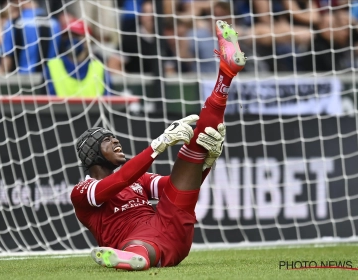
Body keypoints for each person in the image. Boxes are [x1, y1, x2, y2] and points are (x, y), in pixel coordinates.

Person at [70, 20, 246, 270]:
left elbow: (175, 186)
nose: (116, 141)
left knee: (198, 145)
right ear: (92, 154)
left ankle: (225, 76)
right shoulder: (82, 191)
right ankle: (134, 259)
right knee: (141, 248)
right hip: (141, 241)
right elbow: (119, 182)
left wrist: (206, 165)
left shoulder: (139, 182)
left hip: (172, 225)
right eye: (108, 140)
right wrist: (158, 145)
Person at [45, 18, 111, 97]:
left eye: (76, 36)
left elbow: (108, 99)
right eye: (67, 36)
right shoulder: (52, 66)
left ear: (87, 40)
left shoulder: (99, 68)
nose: (71, 40)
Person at [1, 0, 61, 74]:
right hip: (50, 77)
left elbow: (7, 58)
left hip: (23, 79)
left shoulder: (13, 23)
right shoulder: (54, 23)